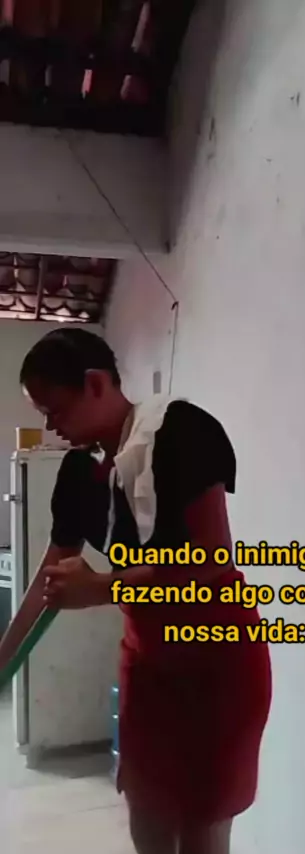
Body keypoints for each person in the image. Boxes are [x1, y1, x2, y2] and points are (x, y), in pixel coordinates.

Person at [0, 328, 272, 854]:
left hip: (216, 661)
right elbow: (49, 578)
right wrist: (2, 659)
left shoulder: (180, 432)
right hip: (148, 664)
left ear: (95, 384)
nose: (51, 426)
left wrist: (101, 587)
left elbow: (211, 560)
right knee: (146, 812)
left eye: (55, 410)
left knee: (201, 825)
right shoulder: (80, 471)